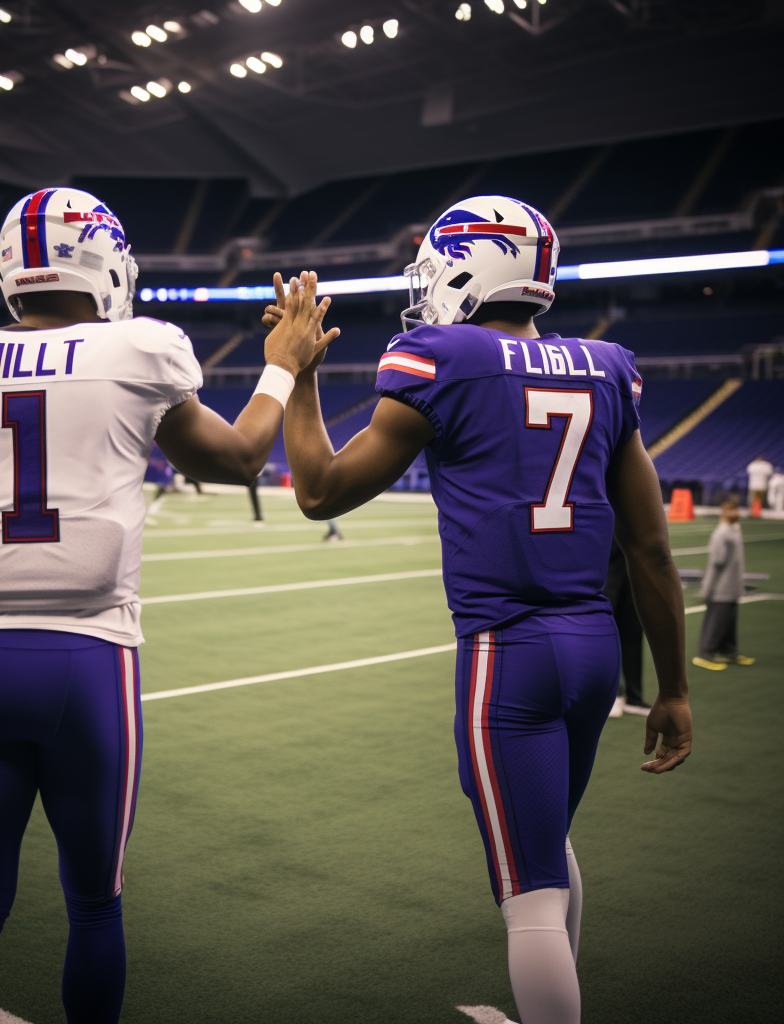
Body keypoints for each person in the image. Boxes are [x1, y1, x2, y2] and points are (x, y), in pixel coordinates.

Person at [0, 186, 336, 1024]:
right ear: (107, 265)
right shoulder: (139, 351)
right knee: (94, 906)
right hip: (91, 665)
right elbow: (238, 460)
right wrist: (283, 363)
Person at [268, 196, 692, 1024]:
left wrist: (300, 377)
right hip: (594, 646)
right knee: (549, 848)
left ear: (470, 268)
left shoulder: (443, 356)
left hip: (508, 654)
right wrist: (672, 688)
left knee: (527, 896)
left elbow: (319, 490)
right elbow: (651, 550)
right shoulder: (608, 365)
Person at [692, 496, 755, 670]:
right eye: (731, 509)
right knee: (716, 623)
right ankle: (705, 654)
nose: (735, 512)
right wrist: (707, 589)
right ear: (723, 511)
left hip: (732, 588)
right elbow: (715, 565)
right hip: (720, 590)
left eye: (736, 508)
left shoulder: (735, 529)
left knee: (728, 624)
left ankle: (728, 652)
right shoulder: (722, 534)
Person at [603, 539, 649, 717]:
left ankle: (633, 697)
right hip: (605, 567)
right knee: (606, 634)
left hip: (630, 566)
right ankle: (612, 695)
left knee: (633, 631)